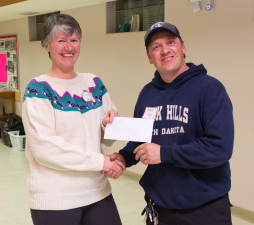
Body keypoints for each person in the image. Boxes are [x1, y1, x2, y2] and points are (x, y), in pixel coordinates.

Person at [110, 22, 234, 225]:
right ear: (150, 57)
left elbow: (219, 148)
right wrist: (123, 158)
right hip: (160, 209)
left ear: (182, 47)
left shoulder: (210, 89)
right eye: (156, 47)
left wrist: (165, 153)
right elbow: (140, 140)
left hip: (204, 210)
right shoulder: (148, 93)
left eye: (170, 42)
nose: (165, 50)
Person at [22, 14, 124, 225]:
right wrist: (101, 162)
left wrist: (108, 124)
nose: (69, 47)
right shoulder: (38, 89)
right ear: (46, 46)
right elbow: (46, 149)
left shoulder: (94, 83)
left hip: (98, 191)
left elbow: (105, 137)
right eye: (61, 40)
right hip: (56, 199)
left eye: (74, 40)